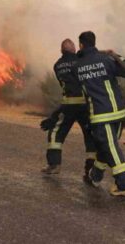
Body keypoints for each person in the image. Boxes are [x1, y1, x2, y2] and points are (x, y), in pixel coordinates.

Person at [74, 31, 125, 197]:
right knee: (106, 146)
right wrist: (116, 55)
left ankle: (124, 184)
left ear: (80, 44)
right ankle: (95, 176)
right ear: (95, 43)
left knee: (110, 147)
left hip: (101, 115)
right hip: (118, 112)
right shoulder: (106, 60)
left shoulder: (77, 66)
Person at [40, 39, 97, 181]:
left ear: (61, 51)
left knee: (55, 133)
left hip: (69, 105)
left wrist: (54, 115)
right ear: (75, 49)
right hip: (85, 105)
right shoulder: (82, 60)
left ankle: (54, 165)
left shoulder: (58, 65)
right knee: (90, 136)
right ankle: (90, 169)